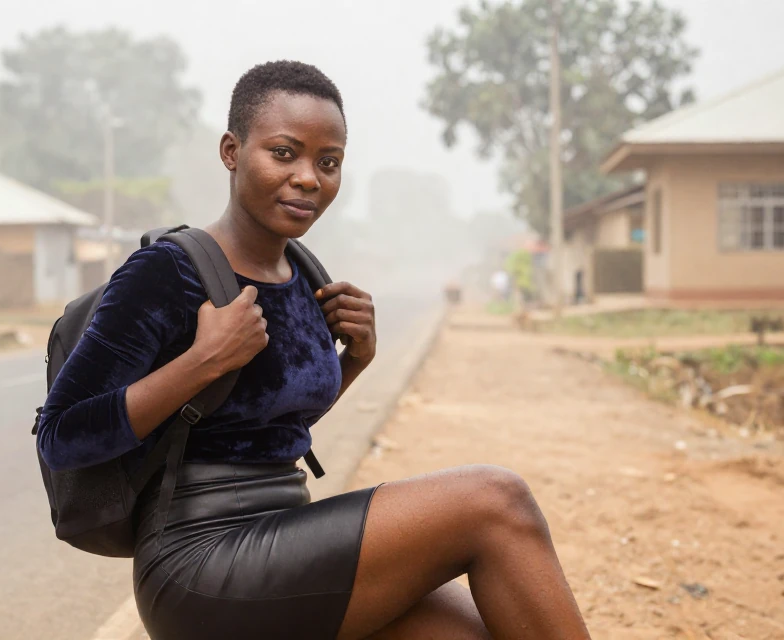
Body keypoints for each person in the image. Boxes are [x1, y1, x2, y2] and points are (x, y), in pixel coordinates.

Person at [36, 61, 590, 640]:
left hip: (284, 533)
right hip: (200, 559)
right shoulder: (167, 271)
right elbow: (62, 436)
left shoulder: (303, 275)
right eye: (284, 153)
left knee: (475, 631)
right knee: (494, 499)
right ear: (231, 151)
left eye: (328, 162)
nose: (308, 178)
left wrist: (356, 360)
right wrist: (203, 361)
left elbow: (265, 426)